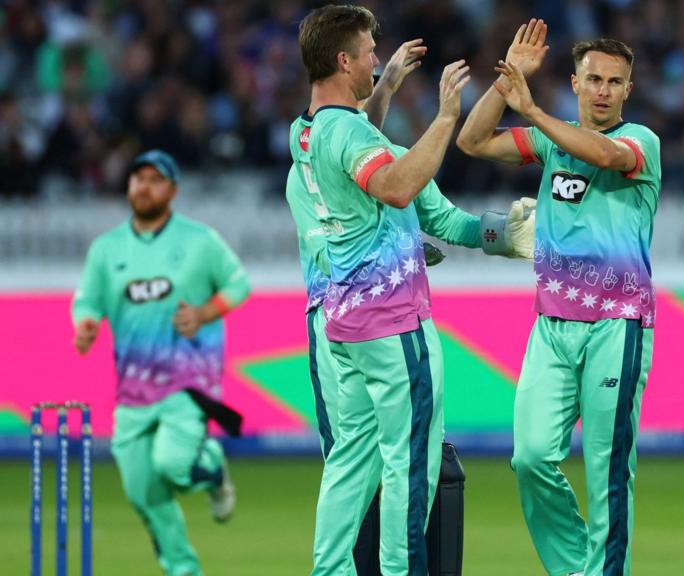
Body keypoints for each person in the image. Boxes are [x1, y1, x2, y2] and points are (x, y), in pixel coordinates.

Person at [293, 6, 534, 575]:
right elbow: (398, 187)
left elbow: (449, 222)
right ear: (344, 60)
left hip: (343, 326)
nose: (378, 60)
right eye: (370, 52)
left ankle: (331, 571)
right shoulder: (360, 141)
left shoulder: (306, 133)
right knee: (410, 458)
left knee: (350, 459)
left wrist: (503, 234)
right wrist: (448, 115)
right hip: (393, 321)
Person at [457, 20, 661, 576]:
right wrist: (508, 84)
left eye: (613, 82)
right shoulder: (550, 139)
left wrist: (534, 111)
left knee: (607, 468)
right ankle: (578, 567)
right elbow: (472, 142)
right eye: (592, 78)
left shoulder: (641, 142)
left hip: (616, 326)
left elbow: (605, 156)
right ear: (573, 82)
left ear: (627, 91)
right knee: (529, 458)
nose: (602, 90)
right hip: (551, 327)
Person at [72, 149, 251, 576]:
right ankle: (183, 570)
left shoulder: (200, 240)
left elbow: (238, 283)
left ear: (172, 190)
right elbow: (87, 300)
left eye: (155, 179)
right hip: (133, 393)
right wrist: (86, 325)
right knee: (143, 492)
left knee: (172, 464)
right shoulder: (106, 248)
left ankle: (209, 465)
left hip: (189, 382)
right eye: (138, 179)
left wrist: (205, 313)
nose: (144, 186)